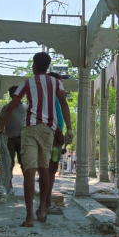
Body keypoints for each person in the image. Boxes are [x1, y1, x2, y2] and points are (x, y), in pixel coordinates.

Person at [0, 52, 72, 227]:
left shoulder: (27, 83)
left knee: (29, 170)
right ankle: (42, 208)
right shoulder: (56, 83)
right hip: (48, 130)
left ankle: (29, 216)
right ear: (49, 65)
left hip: (30, 129)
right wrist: (69, 128)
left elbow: (11, 107)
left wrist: (1, 127)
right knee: (45, 168)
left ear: (34, 66)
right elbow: (64, 104)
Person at [45, 72, 72, 215]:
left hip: (55, 136)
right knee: (51, 168)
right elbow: (49, 116)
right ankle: (46, 204)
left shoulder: (53, 96)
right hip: (54, 137)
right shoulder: (50, 96)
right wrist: (59, 132)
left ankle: (46, 202)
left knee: (52, 168)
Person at [0, 85, 27, 177]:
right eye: (14, 93)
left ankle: (27, 185)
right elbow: (2, 120)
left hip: (22, 138)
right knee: (8, 162)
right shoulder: (6, 108)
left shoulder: (25, 108)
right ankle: (8, 184)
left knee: (24, 162)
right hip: (9, 138)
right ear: (10, 95)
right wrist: (1, 129)